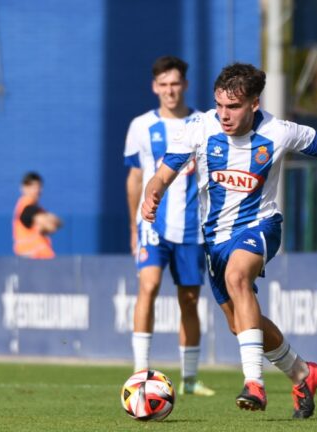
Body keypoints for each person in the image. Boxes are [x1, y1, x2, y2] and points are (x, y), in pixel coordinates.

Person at [142, 63, 317, 418]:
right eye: (219, 105)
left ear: (253, 103)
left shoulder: (279, 132)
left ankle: (254, 383)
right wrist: (151, 195)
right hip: (214, 239)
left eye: (233, 107)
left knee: (238, 278)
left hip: (261, 225)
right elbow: (163, 174)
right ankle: (301, 372)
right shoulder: (200, 127)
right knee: (240, 323)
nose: (224, 114)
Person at [123, 56, 214, 396]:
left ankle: (190, 379)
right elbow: (134, 178)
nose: (170, 90)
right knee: (147, 286)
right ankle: (139, 372)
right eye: (163, 84)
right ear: (154, 87)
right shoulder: (141, 126)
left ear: (185, 85)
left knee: (189, 300)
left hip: (193, 227)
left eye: (175, 84)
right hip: (152, 224)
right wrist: (134, 226)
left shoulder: (204, 122)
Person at [12, 172, 61, 259]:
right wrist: (45, 220)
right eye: (32, 187)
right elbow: (29, 215)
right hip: (30, 256)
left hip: (39, 256)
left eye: (38, 186)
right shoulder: (25, 205)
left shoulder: (37, 208)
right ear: (23, 188)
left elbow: (55, 224)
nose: (36, 190)